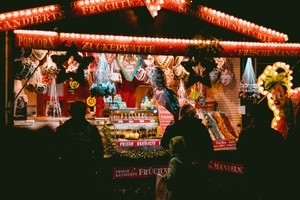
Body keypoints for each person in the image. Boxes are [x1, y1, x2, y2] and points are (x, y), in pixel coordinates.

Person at [236, 99, 287, 200]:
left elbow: (240, 151)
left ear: (254, 119)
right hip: (271, 176)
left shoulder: (247, 134)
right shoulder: (276, 136)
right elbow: (282, 157)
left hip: (252, 174)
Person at [161, 103, 214, 198]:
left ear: (181, 114)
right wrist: (202, 162)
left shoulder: (176, 127)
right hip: (198, 173)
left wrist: (169, 127)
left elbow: (164, 143)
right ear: (194, 114)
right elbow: (209, 148)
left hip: (180, 173)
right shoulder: (201, 128)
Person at [54, 100, 105, 198]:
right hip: (87, 168)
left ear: (71, 112)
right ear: (85, 112)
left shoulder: (63, 129)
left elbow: (56, 150)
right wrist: (95, 167)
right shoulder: (92, 129)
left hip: (68, 169)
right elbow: (99, 151)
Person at [161, 136, 192, 200]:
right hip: (186, 190)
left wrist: (164, 176)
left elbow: (172, 178)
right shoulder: (187, 158)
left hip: (177, 192)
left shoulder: (174, 161)